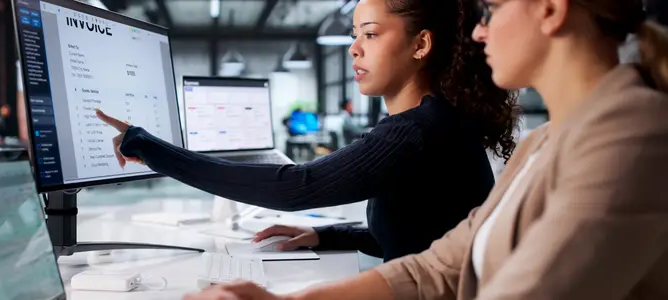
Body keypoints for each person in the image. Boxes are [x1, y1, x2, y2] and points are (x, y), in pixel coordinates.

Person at [181, 0, 668, 299]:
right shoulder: (542, 142)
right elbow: (442, 264)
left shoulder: (632, 135)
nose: (479, 32)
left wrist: (151, 149)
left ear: (550, 8)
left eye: (493, 9)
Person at [97, 0, 518, 263]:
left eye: (370, 34)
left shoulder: (417, 131)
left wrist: (148, 147)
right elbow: (422, 235)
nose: (354, 48)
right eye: (355, 35)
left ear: (420, 45)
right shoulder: (439, 120)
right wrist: (322, 234)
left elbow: (296, 186)